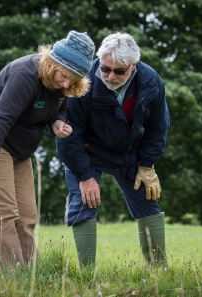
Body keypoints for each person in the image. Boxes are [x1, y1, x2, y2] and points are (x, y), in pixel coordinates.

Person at [0, 31, 95, 269]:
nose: (66, 85)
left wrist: (57, 122)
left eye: (72, 81)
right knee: (3, 212)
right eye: (63, 76)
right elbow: (0, 119)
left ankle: (31, 275)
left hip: (19, 148)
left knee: (26, 214)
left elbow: (59, 107)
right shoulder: (25, 75)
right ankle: (8, 281)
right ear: (52, 63)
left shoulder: (63, 82)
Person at [56, 32, 170, 267]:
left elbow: (158, 127)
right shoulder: (82, 82)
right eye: (106, 69)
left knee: (148, 200)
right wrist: (85, 176)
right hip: (86, 151)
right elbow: (69, 136)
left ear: (133, 67)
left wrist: (147, 165)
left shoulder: (151, 82)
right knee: (83, 201)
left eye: (119, 71)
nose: (110, 76)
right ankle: (87, 275)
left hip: (128, 152)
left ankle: (159, 272)